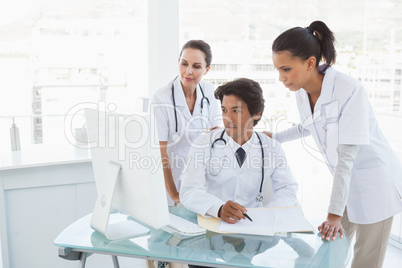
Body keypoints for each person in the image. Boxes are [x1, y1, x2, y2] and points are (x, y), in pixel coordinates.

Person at [269, 20, 402, 268]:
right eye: (278, 70)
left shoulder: (348, 90)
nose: (281, 78)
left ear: (310, 62)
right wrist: (274, 137)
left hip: (376, 183)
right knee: (330, 253)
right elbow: (309, 125)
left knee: (366, 260)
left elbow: (346, 158)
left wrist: (333, 215)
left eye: (286, 69)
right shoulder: (301, 91)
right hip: (347, 183)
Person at [180, 78, 298, 225]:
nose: (227, 118)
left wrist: (268, 214)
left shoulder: (272, 148)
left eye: (236, 111)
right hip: (214, 224)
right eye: (224, 110)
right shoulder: (203, 144)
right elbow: (189, 191)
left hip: (256, 226)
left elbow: (287, 188)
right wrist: (218, 208)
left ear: (256, 114)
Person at [150, 40, 222, 206]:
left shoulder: (208, 91)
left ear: (207, 69)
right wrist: (174, 194)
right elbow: (160, 152)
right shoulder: (161, 98)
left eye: (196, 66)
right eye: (184, 64)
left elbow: (216, 136)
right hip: (169, 179)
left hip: (198, 178)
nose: (188, 71)